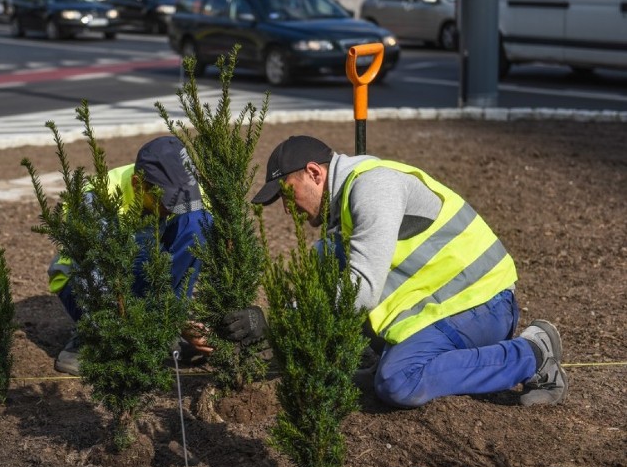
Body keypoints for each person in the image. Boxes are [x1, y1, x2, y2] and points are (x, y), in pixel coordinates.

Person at [233, 134, 567, 408]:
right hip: (445, 297)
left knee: (399, 381)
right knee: (327, 255)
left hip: (482, 304)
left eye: (288, 194)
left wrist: (276, 324)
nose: (290, 211)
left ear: (314, 173)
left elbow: (360, 291)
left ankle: (532, 354)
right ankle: (393, 353)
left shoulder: (373, 188)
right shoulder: (349, 199)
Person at [49, 135, 211, 375]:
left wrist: (174, 316)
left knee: (198, 221)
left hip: (144, 271)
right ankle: (90, 340)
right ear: (138, 183)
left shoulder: (189, 191)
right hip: (87, 280)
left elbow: (205, 246)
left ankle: (161, 326)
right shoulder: (93, 202)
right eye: (165, 202)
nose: (171, 210)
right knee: (105, 271)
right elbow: (96, 278)